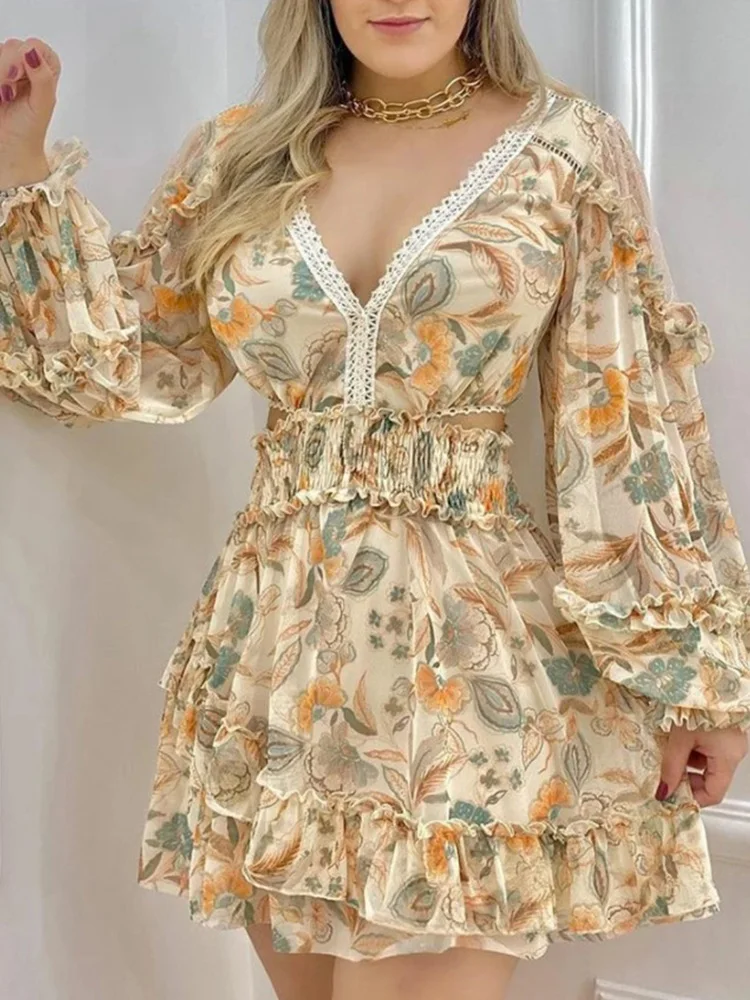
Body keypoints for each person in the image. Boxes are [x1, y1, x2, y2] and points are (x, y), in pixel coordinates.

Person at [2, 2, 749, 998]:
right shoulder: (237, 154)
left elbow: (628, 415)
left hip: (462, 670)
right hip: (270, 667)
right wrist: (19, 161)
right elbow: (128, 360)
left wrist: (698, 681)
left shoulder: (564, 148)